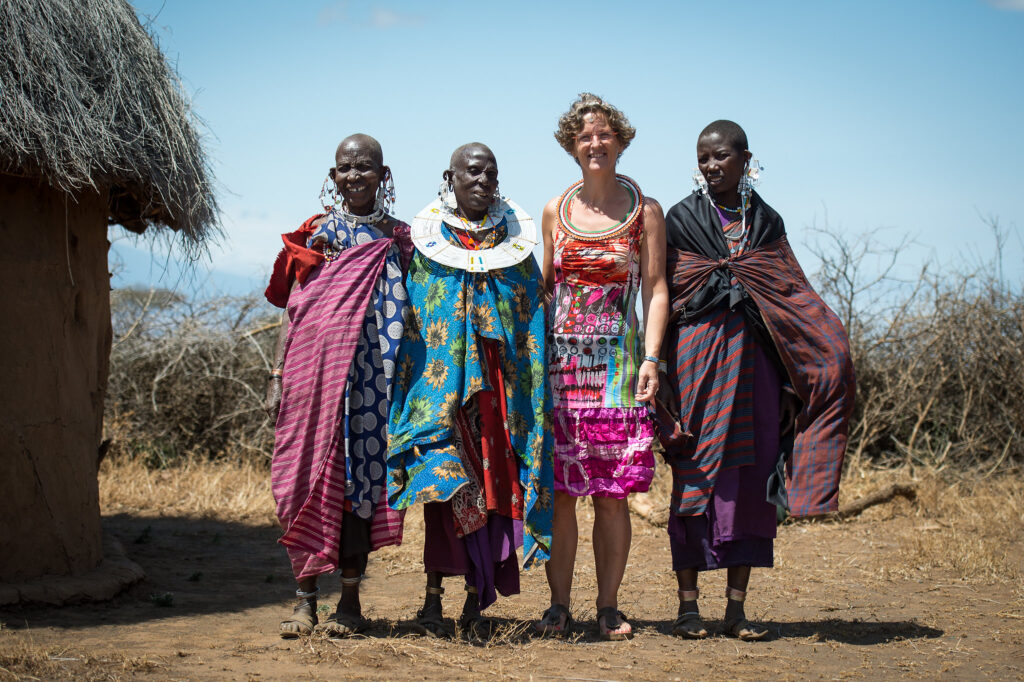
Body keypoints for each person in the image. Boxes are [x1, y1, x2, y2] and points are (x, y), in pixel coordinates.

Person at [658, 120, 855, 640]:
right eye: (702, 158)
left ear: (746, 159)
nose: (710, 166)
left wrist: (800, 380)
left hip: (758, 377)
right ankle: (688, 608)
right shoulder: (680, 219)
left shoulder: (766, 223)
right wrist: (658, 371)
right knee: (694, 478)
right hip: (696, 366)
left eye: (720, 156)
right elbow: (664, 296)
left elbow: (791, 302)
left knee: (750, 484)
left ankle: (737, 611)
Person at [387, 143, 553, 638]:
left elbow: (532, 313)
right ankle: (432, 598)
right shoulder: (425, 245)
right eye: (472, 172)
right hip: (440, 396)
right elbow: (418, 315)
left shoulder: (515, 249)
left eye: (491, 174)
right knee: (443, 490)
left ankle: (473, 603)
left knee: (493, 491)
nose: (482, 181)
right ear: (450, 176)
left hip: (498, 396)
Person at [264, 134, 414, 638]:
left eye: (365, 167)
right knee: (302, 480)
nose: (355, 176)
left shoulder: (401, 240)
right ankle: (305, 599)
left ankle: (349, 602)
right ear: (333, 177)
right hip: (315, 379)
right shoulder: (317, 239)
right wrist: (278, 376)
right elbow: (294, 310)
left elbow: (418, 314)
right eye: (345, 168)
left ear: (383, 174)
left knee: (361, 485)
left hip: (375, 384)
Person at [536, 93, 669, 640]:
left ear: (621, 141)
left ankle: (608, 606)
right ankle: (559, 607)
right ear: (572, 145)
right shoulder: (553, 211)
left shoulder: (645, 211)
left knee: (612, 496)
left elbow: (657, 291)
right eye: (585, 136)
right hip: (561, 371)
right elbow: (545, 290)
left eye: (605, 134)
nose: (595, 143)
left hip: (618, 368)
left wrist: (653, 360)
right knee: (562, 494)